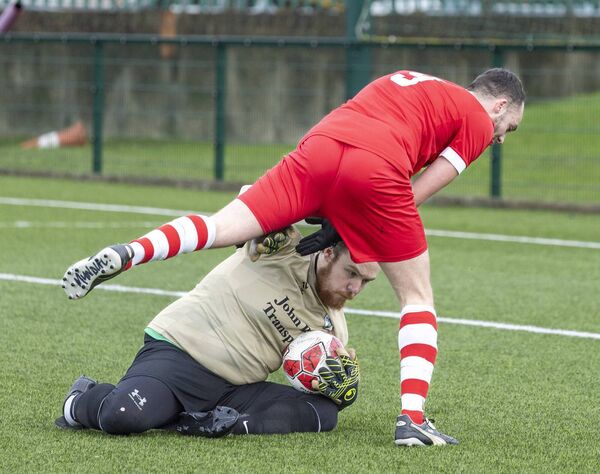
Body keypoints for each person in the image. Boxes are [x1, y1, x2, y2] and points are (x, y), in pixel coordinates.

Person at [62, 68, 525, 446]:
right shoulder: (478, 120)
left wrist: (332, 207)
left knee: (223, 226)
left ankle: (131, 251)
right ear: (500, 104)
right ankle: (413, 420)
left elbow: (352, 129)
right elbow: (421, 187)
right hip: (381, 166)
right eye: (510, 127)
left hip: (322, 143)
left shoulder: (408, 80)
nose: (501, 137)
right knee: (418, 297)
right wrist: (360, 217)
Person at [57, 227, 380, 437]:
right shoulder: (284, 248)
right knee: (122, 416)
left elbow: (314, 382)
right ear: (327, 253)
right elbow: (255, 197)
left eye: (365, 281)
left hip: (235, 389)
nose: (355, 288)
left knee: (323, 414)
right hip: (179, 356)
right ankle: (81, 399)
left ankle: (219, 423)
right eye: (351, 273)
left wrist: (338, 382)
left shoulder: (331, 328)